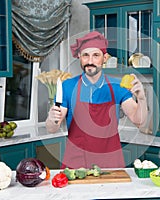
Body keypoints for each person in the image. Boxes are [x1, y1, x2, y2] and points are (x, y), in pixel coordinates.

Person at [46, 31, 148, 168]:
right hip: (77, 161)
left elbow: (139, 121)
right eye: (85, 55)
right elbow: (52, 128)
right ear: (79, 57)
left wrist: (141, 98)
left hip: (110, 161)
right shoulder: (68, 86)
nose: (90, 61)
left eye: (96, 55)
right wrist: (51, 118)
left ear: (105, 58)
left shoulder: (117, 87)